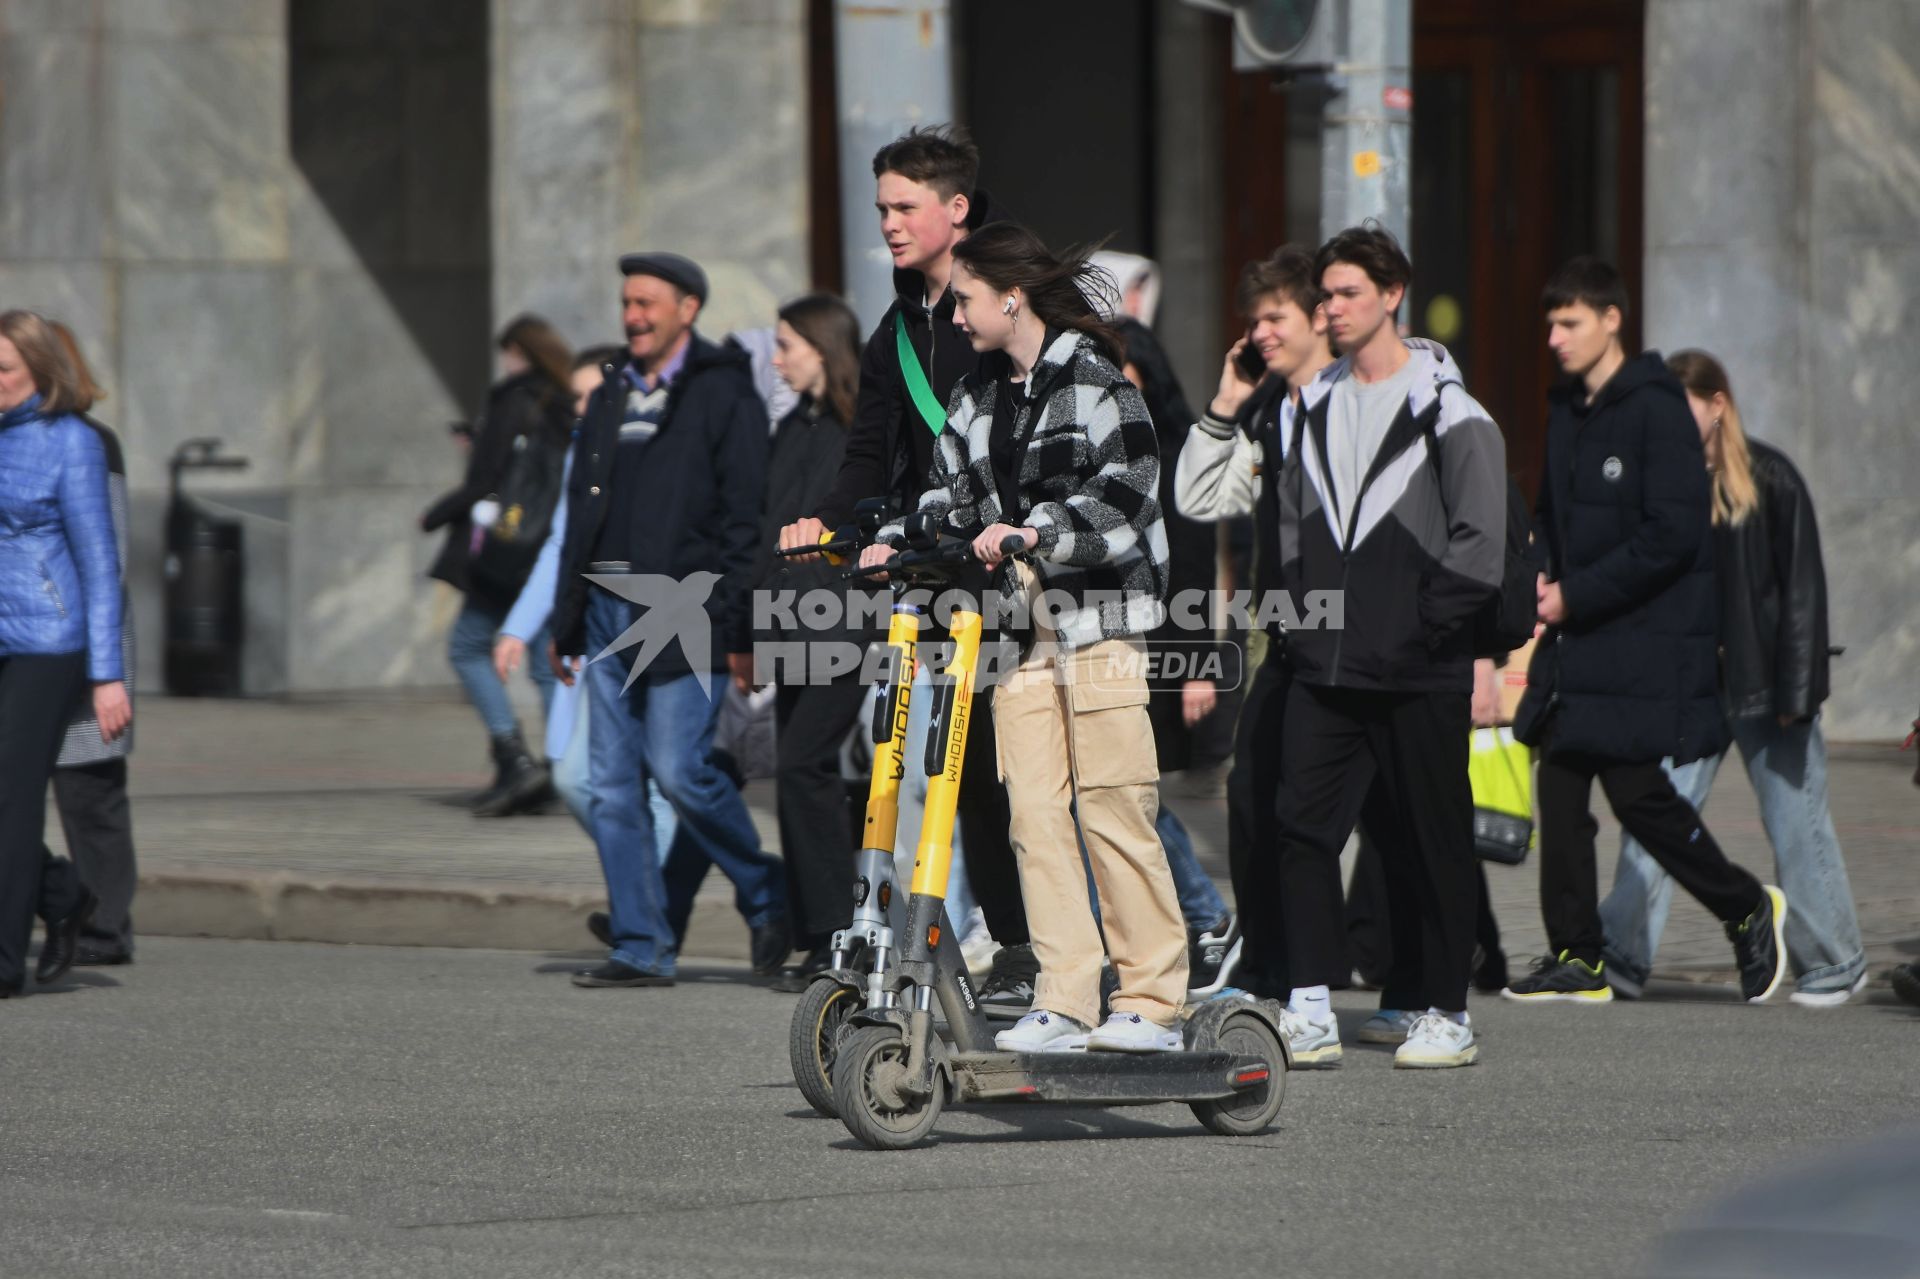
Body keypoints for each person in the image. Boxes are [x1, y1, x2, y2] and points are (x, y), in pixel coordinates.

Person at [859, 222, 1185, 1052]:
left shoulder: (1098, 378)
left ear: (1011, 295)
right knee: (1032, 817)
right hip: (1016, 631)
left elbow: (1130, 492)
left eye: (965, 299)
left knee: (1114, 810)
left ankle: (1150, 999)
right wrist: (893, 538)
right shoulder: (976, 396)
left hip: (1101, 624)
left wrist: (1034, 530)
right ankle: (1067, 996)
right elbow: (947, 495)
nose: (956, 316)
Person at [776, 126, 1038, 1014]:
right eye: (881, 206)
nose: (886, 222)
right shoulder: (896, 329)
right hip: (940, 575)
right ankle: (1013, 944)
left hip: (1020, 573)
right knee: (948, 767)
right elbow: (869, 451)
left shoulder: (1012, 300)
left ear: (955, 209)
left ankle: (1048, 944)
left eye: (904, 206)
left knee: (1027, 778)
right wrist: (839, 522)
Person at [1507, 256, 1788, 1007]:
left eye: (1569, 322)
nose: (1554, 337)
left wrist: (1577, 596)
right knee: (1560, 785)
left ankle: (1744, 906)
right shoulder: (1566, 406)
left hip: (1636, 639)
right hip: (1576, 639)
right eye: (1549, 323)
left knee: (1638, 797)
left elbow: (1674, 533)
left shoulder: (1657, 406)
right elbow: (1548, 512)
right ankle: (1578, 954)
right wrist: (1538, 571)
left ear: (1611, 319)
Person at [1264, 227, 1508, 1070]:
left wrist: (1421, 628)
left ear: (1392, 293)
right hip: (1324, 668)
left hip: (1417, 670)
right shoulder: (1311, 404)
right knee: (1299, 827)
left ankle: (1444, 1010)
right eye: (1324, 296)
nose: (1330, 309)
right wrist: (1299, 621)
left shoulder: (1452, 410)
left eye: (1346, 295)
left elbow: (1482, 544)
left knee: (1430, 840)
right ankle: (1308, 1005)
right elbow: (1291, 524)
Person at [1597, 349, 1865, 1006]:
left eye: (1682, 408)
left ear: (1719, 404)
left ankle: (1835, 962)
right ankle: (1622, 953)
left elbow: (1803, 593)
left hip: (1766, 688)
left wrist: (1798, 694)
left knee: (1796, 822)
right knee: (1657, 819)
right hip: (1688, 690)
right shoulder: (1665, 486)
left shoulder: (1772, 477)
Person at [549, 252, 788, 988]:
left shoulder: (723, 392)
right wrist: (566, 619)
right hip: (602, 610)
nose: (633, 316)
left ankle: (766, 889)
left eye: (648, 303)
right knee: (611, 785)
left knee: (682, 772)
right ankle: (640, 943)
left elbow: (745, 518)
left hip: (686, 611)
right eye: (626, 303)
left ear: (688, 308)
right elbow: (581, 511)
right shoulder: (614, 388)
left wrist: (737, 625)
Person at [1176, 245, 1334, 1006]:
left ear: (1317, 316)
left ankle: (1426, 982)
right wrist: (1227, 401)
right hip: (1281, 635)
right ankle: (1269, 966)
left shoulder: (1353, 400)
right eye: (1255, 319)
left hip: (1359, 638)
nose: (1262, 331)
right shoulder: (1269, 408)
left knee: (1364, 814)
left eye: (1276, 316)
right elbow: (1201, 500)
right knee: (1253, 801)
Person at [1109, 304, 1240, 996]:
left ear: (1148, 375)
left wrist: (1196, 667)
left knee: (1134, 791)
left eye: (1121, 371)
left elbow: (1194, 564)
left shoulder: (1178, 448)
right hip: (1114, 636)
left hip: (1164, 644)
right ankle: (1188, 917)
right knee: (1124, 790)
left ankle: (1205, 912)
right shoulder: (1108, 445)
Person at [754, 294, 882, 990]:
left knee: (806, 764)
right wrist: (747, 631)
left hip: (843, 624)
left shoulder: (859, 427)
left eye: (786, 346)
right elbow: (764, 530)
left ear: (823, 348)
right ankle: (817, 936)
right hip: (785, 623)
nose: (776, 360)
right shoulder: (791, 428)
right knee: (797, 773)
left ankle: (842, 934)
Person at [0, 310, 127, 998]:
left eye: (4, 369)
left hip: (48, 641)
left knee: (13, 798)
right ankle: (65, 891)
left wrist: (108, 673)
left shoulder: (72, 443)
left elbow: (100, 564)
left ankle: (3, 959)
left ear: (40, 372)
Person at [422, 314, 572, 817]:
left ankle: (514, 759)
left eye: (506, 353)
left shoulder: (513, 399)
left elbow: (488, 478)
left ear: (518, 352)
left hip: (506, 550)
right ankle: (560, 767)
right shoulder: (568, 399)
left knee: (467, 647)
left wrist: (438, 513)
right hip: (548, 548)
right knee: (545, 664)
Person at [42, 323, 139, 967]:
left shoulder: (91, 444)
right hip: (25, 642)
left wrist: (94, 660)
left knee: (89, 791)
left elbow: (111, 558)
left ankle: (104, 926)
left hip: (82, 647)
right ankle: (64, 898)